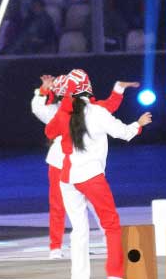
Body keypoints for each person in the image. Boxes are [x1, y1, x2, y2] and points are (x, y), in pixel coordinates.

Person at [45, 69, 152, 279]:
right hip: (92, 177)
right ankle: (114, 274)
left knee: (79, 230)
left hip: (67, 178)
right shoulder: (97, 112)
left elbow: (49, 132)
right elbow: (124, 133)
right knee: (111, 225)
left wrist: (60, 105)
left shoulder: (65, 114)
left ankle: (79, 276)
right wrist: (138, 125)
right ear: (88, 87)